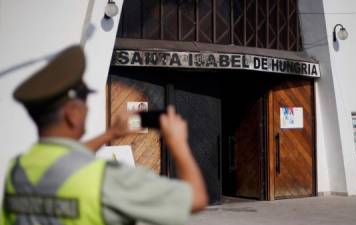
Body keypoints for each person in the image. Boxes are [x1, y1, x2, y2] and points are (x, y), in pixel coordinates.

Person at [1, 45, 208, 225]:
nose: (88, 109)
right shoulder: (107, 179)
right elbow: (196, 199)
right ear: (72, 114)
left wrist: (110, 134)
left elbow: (63, 163)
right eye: (83, 100)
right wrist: (177, 142)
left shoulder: (18, 171)